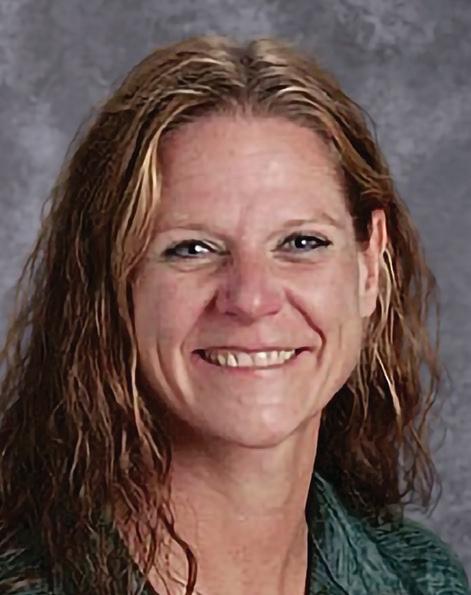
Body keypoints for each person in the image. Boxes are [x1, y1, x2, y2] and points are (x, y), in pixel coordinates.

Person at [0, 34, 468, 595]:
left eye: (301, 242)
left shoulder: (421, 580)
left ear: (370, 268)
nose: (250, 298)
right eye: (192, 248)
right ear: (112, 283)